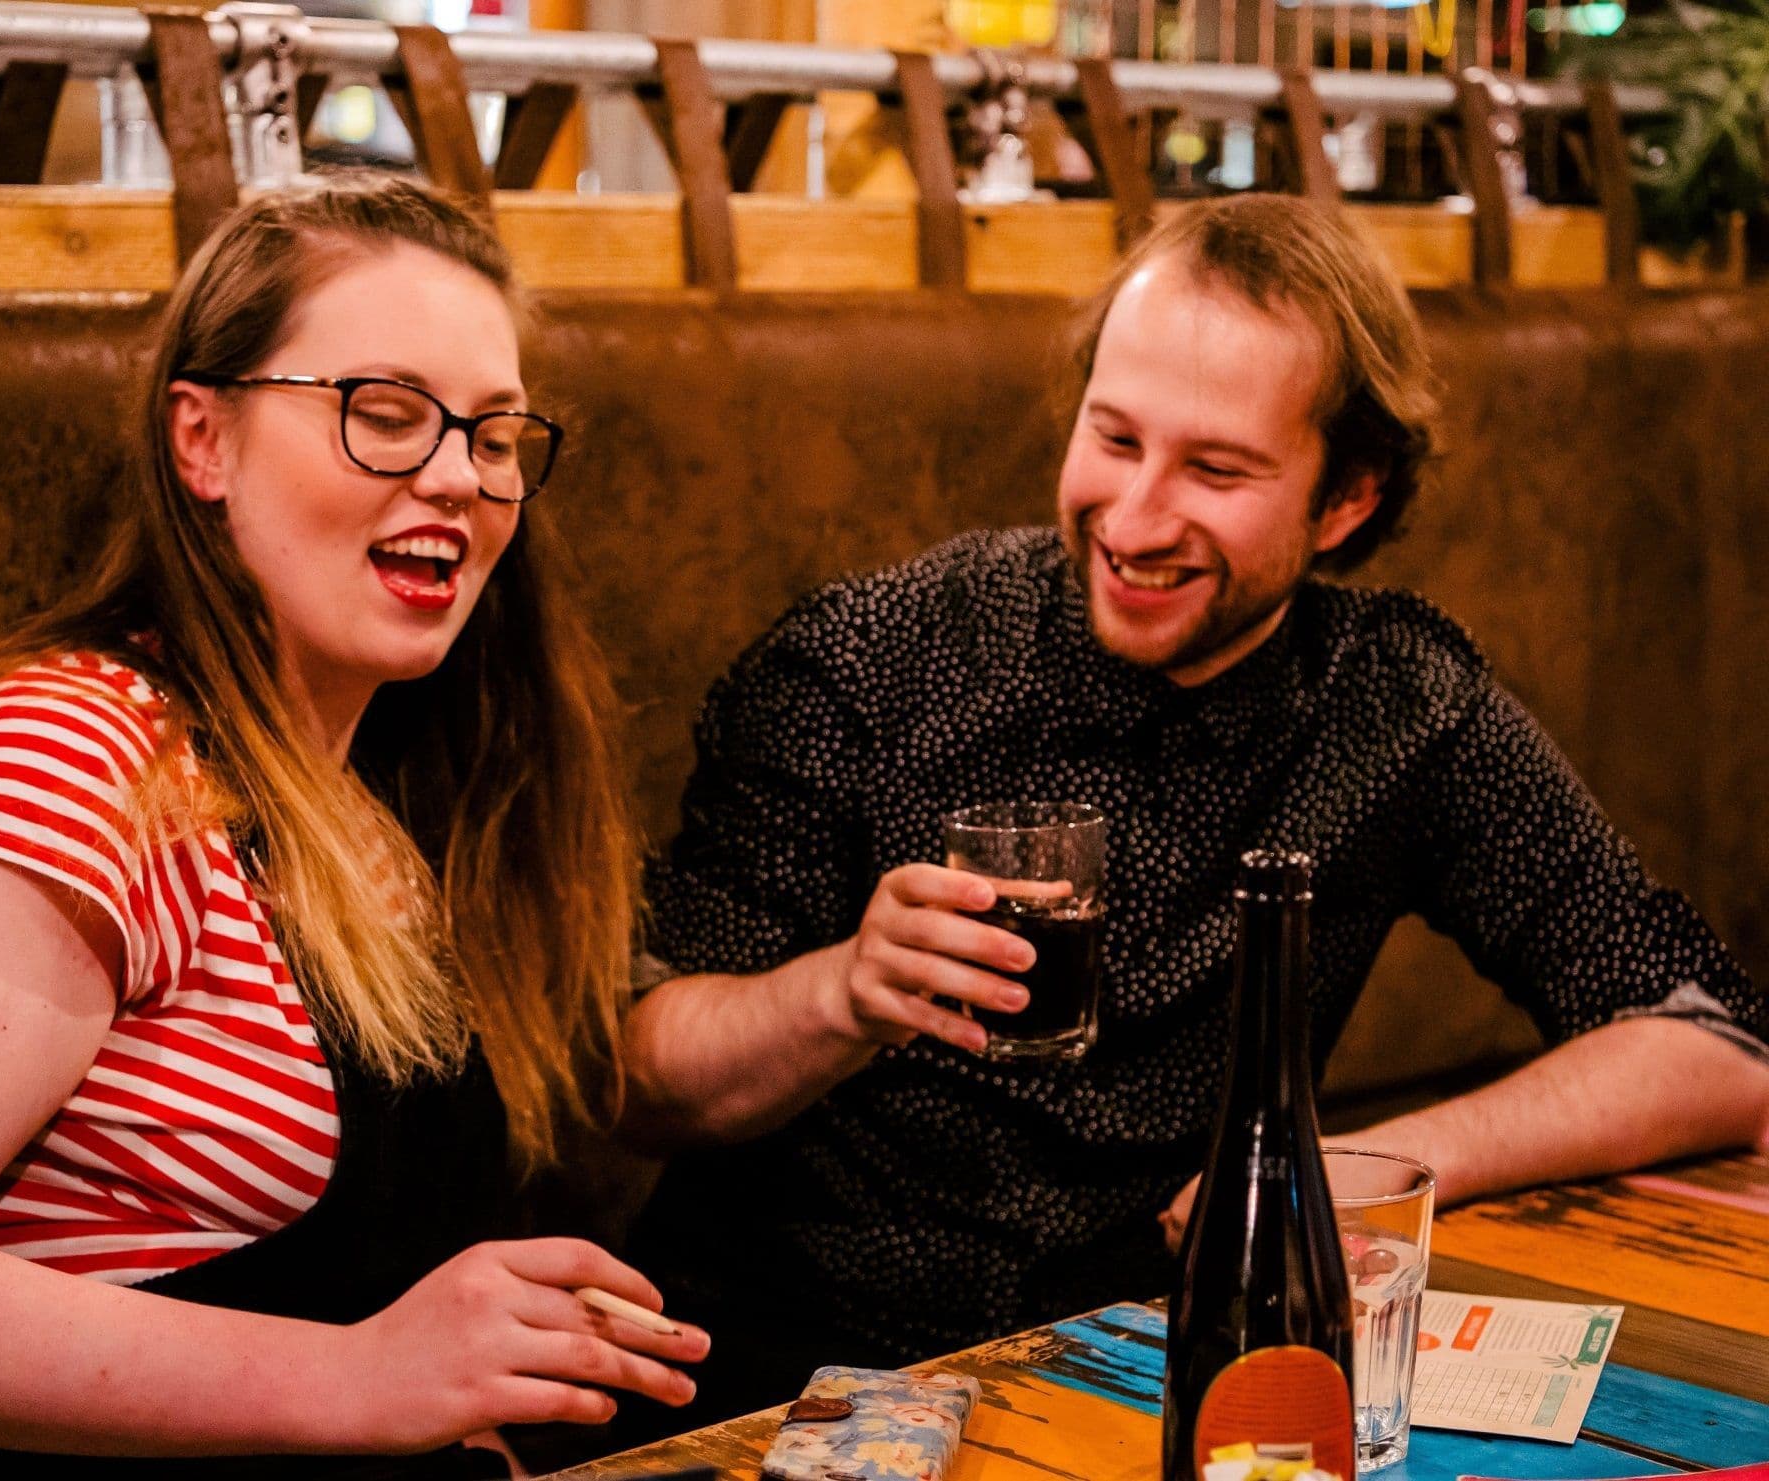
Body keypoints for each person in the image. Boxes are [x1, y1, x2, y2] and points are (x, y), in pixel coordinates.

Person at [617, 194, 1769, 1430]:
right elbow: (640, 1079)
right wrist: (841, 990)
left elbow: (1714, 1044)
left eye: (1215, 468)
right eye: (1114, 439)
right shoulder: (870, 655)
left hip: (1135, 1381)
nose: (1138, 517)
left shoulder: (1394, 705)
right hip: (780, 1385)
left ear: (1346, 501)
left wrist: (1345, 1173)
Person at [0, 175, 708, 1472]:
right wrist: (363, 1373)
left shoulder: (380, 800)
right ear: (203, 439)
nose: (458, 477)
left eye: (491, 435)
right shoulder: (77, 749)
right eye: (384, 414)